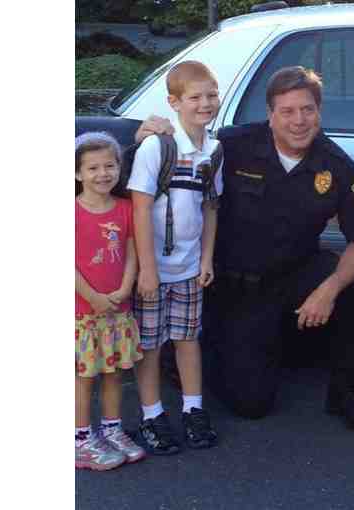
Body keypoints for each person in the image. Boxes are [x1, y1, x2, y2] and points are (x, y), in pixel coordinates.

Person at [136, 66, 354, 432]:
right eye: (287, 111)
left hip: (296, 273)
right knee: (250, 404)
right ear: (270, 114)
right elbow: (169, 163)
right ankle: (201, 353)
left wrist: (328, 291)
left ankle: (348, 394)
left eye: (307, 110)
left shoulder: (336, 164)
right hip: (237, 287)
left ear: (319, 111)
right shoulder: (232, 146)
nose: (298, 121)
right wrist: (150, 136)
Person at [128, 61, 221, 455]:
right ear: (174, 102)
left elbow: (210, 207)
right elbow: (138, 208)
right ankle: (151, 415)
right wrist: (147, 270)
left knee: (187, 339)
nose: (205, 104)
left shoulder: (214, 149)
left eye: (211, 95)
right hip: (156, 270)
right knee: (150, 345)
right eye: (195, 97)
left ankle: (193, 409)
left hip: (188, 268)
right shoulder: (158, 146)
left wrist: (207, 258)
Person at [75, 132, 146, 470]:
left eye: (109, 165)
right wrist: (93, 297)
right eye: (92, 168)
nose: (102, 174)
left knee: (115, 373)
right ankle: (81, 438)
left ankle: (112, 429)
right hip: (84, 312)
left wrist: (125, 287)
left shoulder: (125, 208)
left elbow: (132, 251)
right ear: (77, 174)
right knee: (84, 377)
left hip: (118, 308)